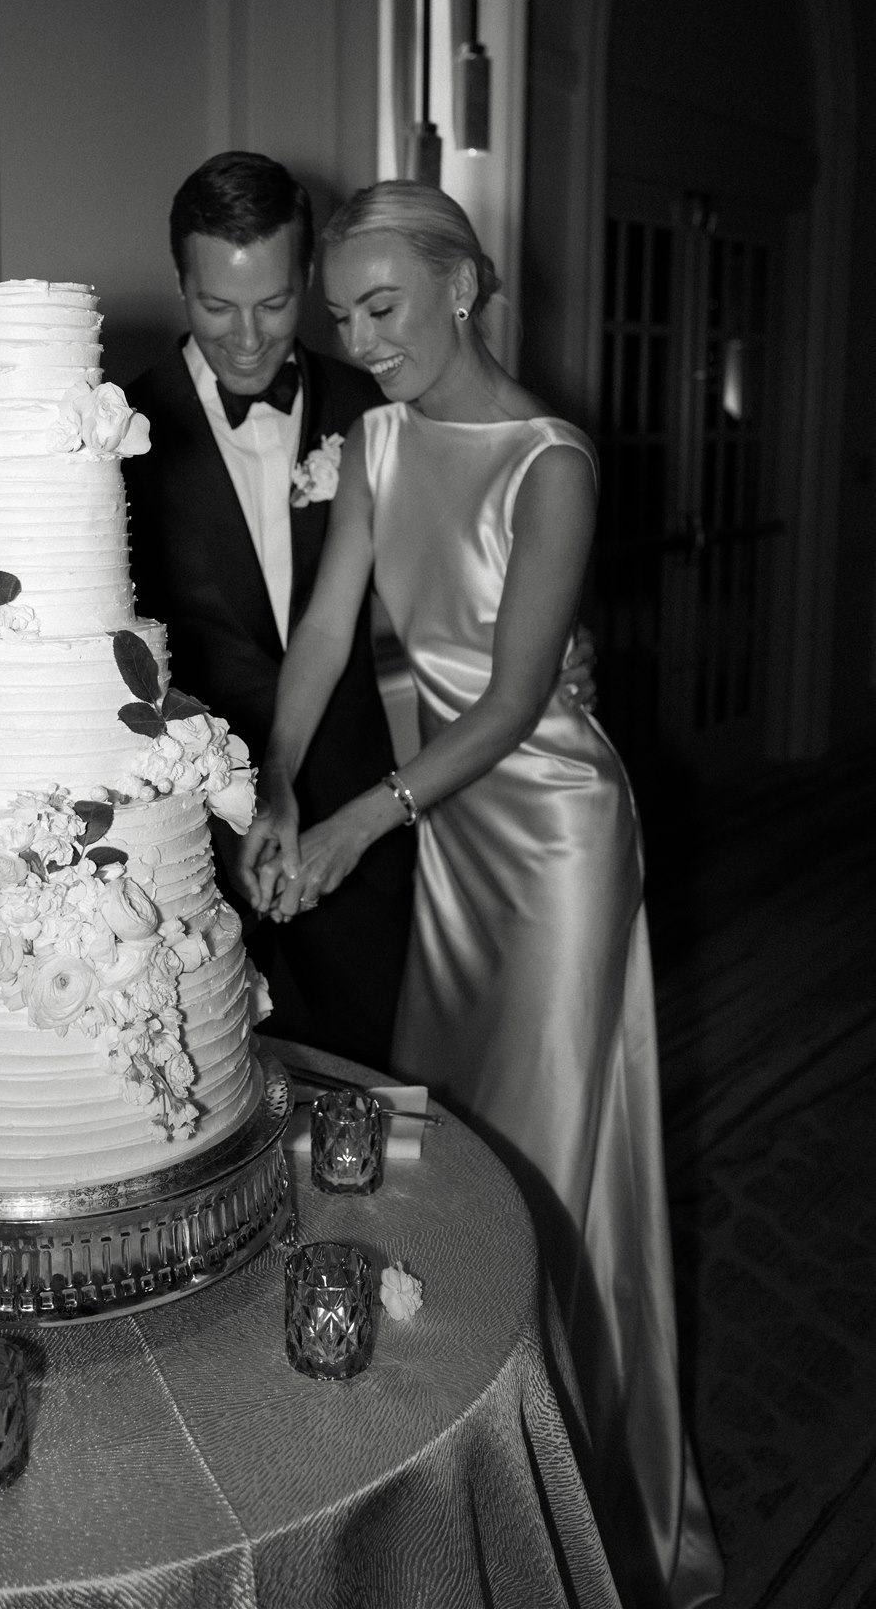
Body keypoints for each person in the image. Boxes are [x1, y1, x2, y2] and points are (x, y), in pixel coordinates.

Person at [242, 181, 723, 1608]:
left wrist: (350, 828)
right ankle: (442, 1475)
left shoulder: (550, 461)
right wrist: (276, 781)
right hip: (443, 831)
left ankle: (571, 1497)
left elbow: (516, 699)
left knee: (541, 1160)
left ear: (465, 284)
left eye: (379, 308)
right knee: (433, 1138)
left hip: (553, 842)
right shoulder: (372, 442)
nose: (358, 339)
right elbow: (327, 628)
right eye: (342, 316)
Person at [122, 152, 412, 1068]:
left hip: (362, 820)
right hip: (191, 848)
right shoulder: (117, 433)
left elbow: (459, 571)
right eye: (216, 307)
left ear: (308, 281)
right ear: (180, 285)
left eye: (276, 304)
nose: (247, 339)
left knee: (375, 1101)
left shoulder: (375, 404)